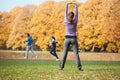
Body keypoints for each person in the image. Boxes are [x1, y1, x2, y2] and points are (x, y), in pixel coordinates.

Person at [59, 2, 82, 70]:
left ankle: (61, 67)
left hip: (67, 39)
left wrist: (67, 4)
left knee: (64, 54)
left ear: (68, 16)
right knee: (76, 54)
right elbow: (77, 13)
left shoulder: (66, 20)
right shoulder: (75, 21)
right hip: (74, 38)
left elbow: (65, 12)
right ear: (73, 16)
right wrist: (75, 5)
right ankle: (79, 67)